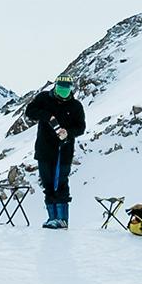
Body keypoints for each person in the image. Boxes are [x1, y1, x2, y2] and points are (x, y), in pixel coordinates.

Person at [24, 74, 86, 229]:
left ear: (71, 89)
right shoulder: (44, 98)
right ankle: (52, 218)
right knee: (48, 184)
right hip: (44, 150)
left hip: (64, 152)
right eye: (61, 88)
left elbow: (81, 127)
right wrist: (46, 116)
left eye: (67, 89)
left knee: (61, 183)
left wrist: (68, 133)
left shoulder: (76, 106)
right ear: (55, 86)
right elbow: (30, 111)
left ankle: (62, 219)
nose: (64, 91)